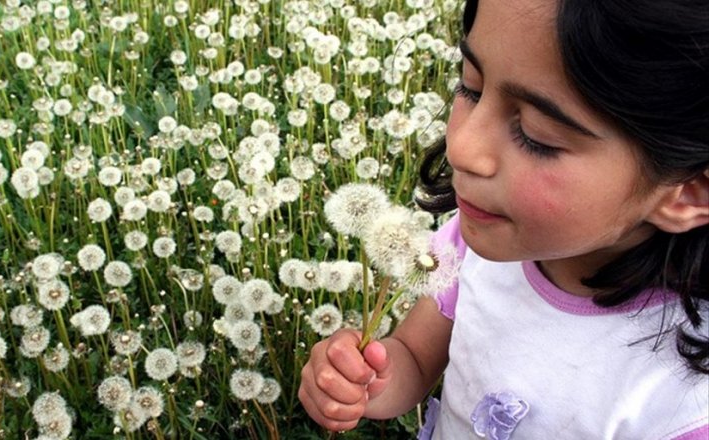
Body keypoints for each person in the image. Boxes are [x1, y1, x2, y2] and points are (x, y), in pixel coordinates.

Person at [298, 0, 709, 438]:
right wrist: (365, 380)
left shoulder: (683, 406)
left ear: (688, 193)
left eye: (535, 135)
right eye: (471, 88)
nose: (461, 148)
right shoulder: (469, 245)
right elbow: (413, 359)